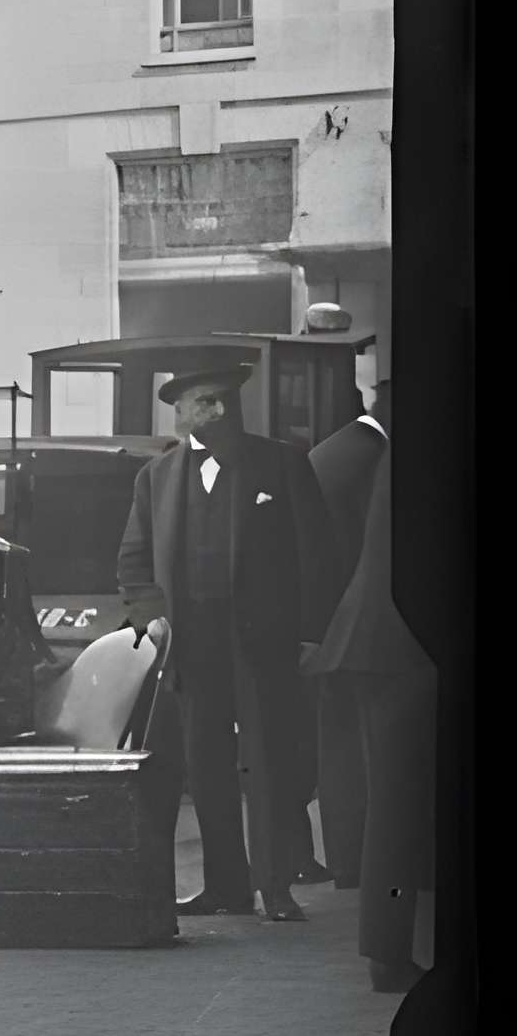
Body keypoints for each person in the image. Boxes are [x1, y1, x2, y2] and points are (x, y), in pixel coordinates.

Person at [115, 363, 343, 922]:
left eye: (227, 402)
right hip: (192, 649)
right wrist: (151, 620)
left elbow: (318, 557)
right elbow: (135, 559)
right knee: (206, 767)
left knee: (269, 765)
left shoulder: (282, 463)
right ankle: (225, 888)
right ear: (182, 410)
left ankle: (277, 886)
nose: (221, 412)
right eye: (207, 402)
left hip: (263, 646)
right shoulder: (158, 477)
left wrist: (312, 634)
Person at [307, 432, 430, 993]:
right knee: (398, 803)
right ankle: (387, 952)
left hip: (377, 638)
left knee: (393, 799)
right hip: (401, 643)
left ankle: (391, 948)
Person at [303, 369, 389, 891]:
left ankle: (347, 861)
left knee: (338, 752)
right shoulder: (370, 459)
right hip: (359, 623)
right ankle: (360, 860)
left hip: (333, 626)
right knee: (367, 755)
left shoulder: (335, 450)